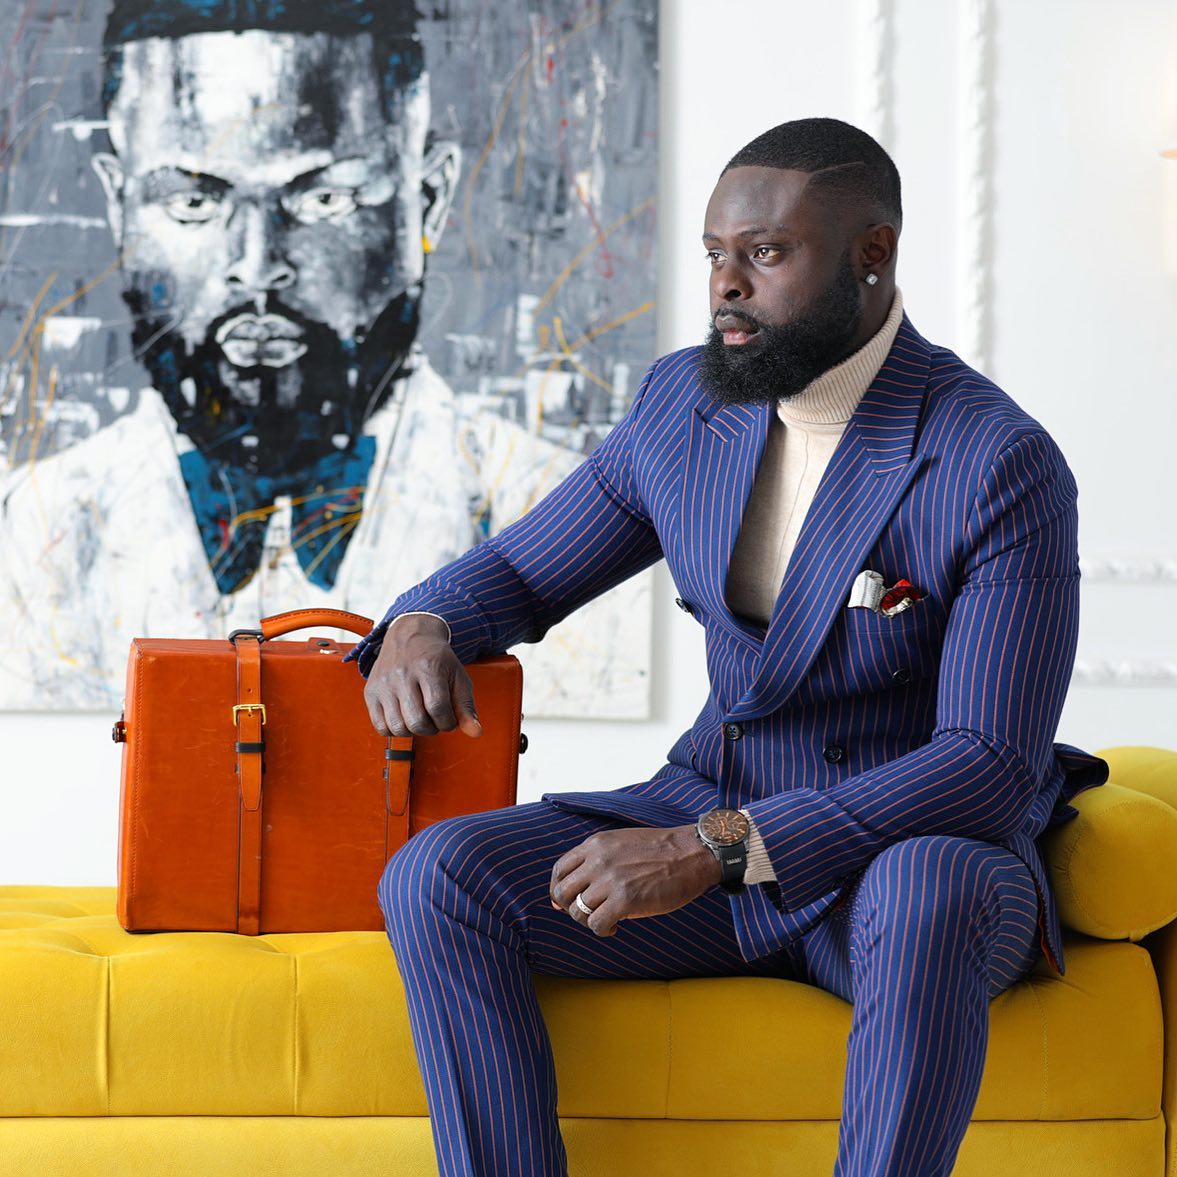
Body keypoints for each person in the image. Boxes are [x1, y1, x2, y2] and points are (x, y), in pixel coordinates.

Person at [351, 118, 1108, 1176]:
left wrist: (718, 847)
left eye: (766, 252)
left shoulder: (994, 459)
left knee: (929, 884)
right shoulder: (686, 401)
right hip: (705, 822)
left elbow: (986, 764)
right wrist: (423, 622)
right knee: (440, 874)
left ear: (872, 253)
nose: (726, 285)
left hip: (894, 864)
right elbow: (523, 569)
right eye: (715, 253)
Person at [0, 0, 645, 714]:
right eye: (192, 204)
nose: (257, 267)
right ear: (118, 205)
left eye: (325, 198)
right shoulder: (24, 532)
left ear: (427, 199)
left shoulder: (583, 528)